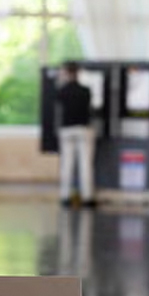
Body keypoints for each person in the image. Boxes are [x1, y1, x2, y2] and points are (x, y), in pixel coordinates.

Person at [56, 63, 95, 207]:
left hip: (67, 130)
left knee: (67, 164)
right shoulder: (86, 90)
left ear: (67, 73)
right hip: (83, 129)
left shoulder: (62, 90)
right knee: (85, 164)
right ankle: (88, 197)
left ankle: (65, 197)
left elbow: (57, 104)